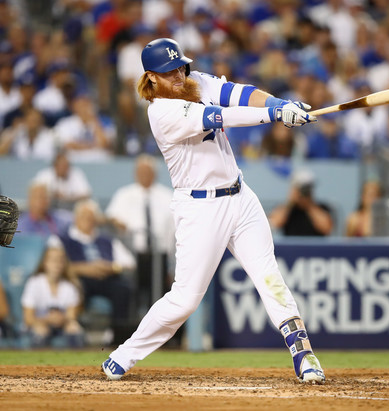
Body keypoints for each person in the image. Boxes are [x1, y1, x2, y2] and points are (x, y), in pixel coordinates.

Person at [102, 38, 325, 384]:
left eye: (180, 66)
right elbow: (220, 116)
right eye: (168, 71)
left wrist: (280, 103)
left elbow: (241, 95)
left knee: (269, 275)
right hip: (200, 209)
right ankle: (125, 353)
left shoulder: (196, 82)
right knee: (185, 299)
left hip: (240, 196)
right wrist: (276, 114)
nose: (177, 74)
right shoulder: (161, 112)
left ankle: (303, 352)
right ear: (151, 78)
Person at [50, 199, 135, 345]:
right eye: (84, 217)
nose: (87, 221)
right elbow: (53, 263)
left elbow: (130, 262)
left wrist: (110, 267)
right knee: (74, 288)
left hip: (106, 279)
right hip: (78, 279)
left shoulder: (107, 240)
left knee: (123, 289)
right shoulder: (60, 239)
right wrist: (84, 268)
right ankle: (76, 332)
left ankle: (117, 335)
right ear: (76, 218)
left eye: (91, 218)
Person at [105, 154, 174, 312]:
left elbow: (174, 228)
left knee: (161, 298)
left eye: (148, 171)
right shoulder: (124, 195)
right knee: (132, 295)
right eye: (141, 171)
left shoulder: (167, 196)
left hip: (160, 256)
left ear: (155, 173)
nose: (144, 175)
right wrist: (117, 223)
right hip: (133, 256)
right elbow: (111, 218)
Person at [21, 245, 84, 348]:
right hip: (39, 324)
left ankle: (75, 362)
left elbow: (71, 316)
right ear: (45, 262)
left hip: (61, 326)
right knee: (40, 330)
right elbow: (28, 318)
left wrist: (60, 319)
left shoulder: (69, 286)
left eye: (60, 261)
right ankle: (37, 362)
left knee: (73, 327)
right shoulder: (34, 283)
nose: (57, 264)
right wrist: (47, 319)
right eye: (53, 260)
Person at [269, 170, 334, 236]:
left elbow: (327, 229)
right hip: (291, 245)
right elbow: (274, 224)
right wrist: (291, 201)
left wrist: (309, 205)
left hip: (316, 245)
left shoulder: (322, 207)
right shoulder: (287, 209)